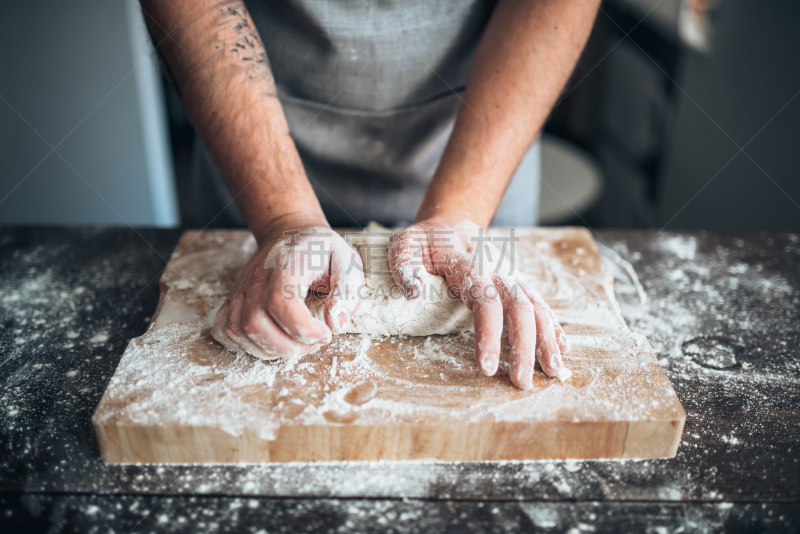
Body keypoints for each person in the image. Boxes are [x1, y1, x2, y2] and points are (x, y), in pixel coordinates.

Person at [142, 0, 600, 390]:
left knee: (484, 296)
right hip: (253, 129)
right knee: (274, 296)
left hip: (482, 127)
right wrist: (283, 217)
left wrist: (461, 210)